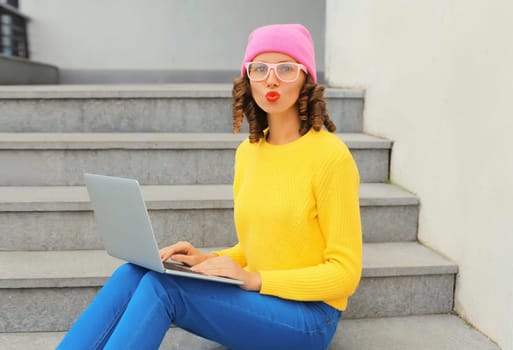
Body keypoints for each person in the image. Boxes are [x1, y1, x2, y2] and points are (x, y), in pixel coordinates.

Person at [57, 23, 362, 350]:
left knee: (165, 290)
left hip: (310, 318)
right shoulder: (249, 152)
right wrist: (205, 260)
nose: (271, 79)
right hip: (261, 298)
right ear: (248, 79)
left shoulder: (331, 157)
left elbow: (345, 273)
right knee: (132, 273)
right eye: (259, 69)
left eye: (286, 68)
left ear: (306, 80)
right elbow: (258, 247)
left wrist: (255, 279)